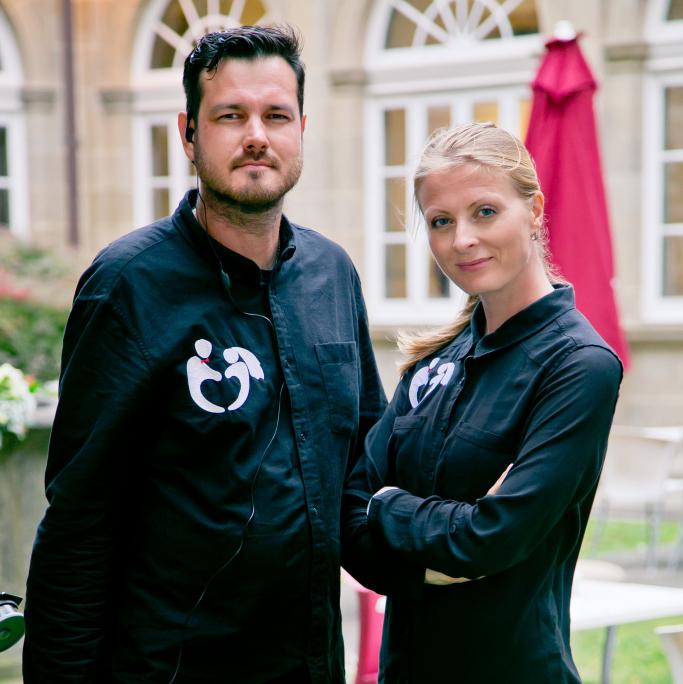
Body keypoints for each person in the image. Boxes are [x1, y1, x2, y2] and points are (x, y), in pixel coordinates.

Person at [24, 25, 386, 683]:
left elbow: (363, 469)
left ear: (302, 129)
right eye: (230, 116)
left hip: (308, 666)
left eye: (276, 115)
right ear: (188, 134)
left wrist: (461, 529)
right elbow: (80, 522)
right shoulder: (128, 285)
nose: (257, 135)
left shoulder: (333, 274)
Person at [342, 122, 623, 683]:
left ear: (534, 211)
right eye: (441, 221)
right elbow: (348, 517)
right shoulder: (431, 362)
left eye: (485, 212)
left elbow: (488, 540)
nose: (462, 239)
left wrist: (387, 506)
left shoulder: (579, 365)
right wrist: (437, 554)